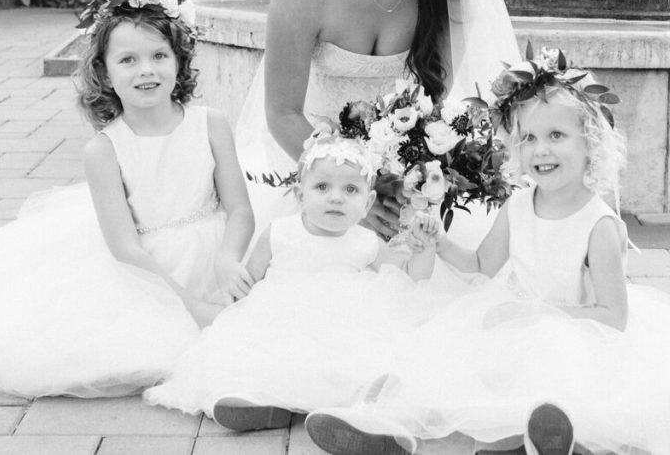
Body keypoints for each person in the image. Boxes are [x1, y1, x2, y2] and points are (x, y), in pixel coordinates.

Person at [305, 49, 670, 455]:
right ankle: (386, 427)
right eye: (530, 138)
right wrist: (440, 243)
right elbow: (481, 267)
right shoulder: (519, 204)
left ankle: (541, 434)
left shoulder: (598, 225)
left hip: (576, 329)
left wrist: (538, 314)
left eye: (557, 136)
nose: (542, 150)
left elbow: (613, 318)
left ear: (590, 143)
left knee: (557, 373)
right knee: (443, 357)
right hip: (518, 318)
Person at [0, 0, 254, 398]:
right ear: (105, 72)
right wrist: (189, 305)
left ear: (179, 61)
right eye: (128, 60)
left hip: (214, 250)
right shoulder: (105, 150)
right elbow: (125, 248)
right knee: (141, 347)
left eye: (159, 55)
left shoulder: (212, 124)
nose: (146, 70)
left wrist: (228, 258)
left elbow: (239, 209)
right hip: (147, 272)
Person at [235, 0, 519, 245]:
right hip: (305, 160)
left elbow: (431, 108)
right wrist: (350, 193)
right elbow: (282, 112)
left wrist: (405, 183)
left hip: (395, 175)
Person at [143, 130, 446, 428]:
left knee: (356, 359)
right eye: (323, 187)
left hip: (345, 326)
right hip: (282, 323)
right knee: (261, 358)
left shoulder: (366, 241)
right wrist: (235, 319)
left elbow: (408, 277)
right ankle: (262, 404)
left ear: (367, 203)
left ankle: (355, 407)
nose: (336, 198)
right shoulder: (279, 233)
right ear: (302, 195)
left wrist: (425, 248)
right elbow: (248, 284)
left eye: (350, 190)